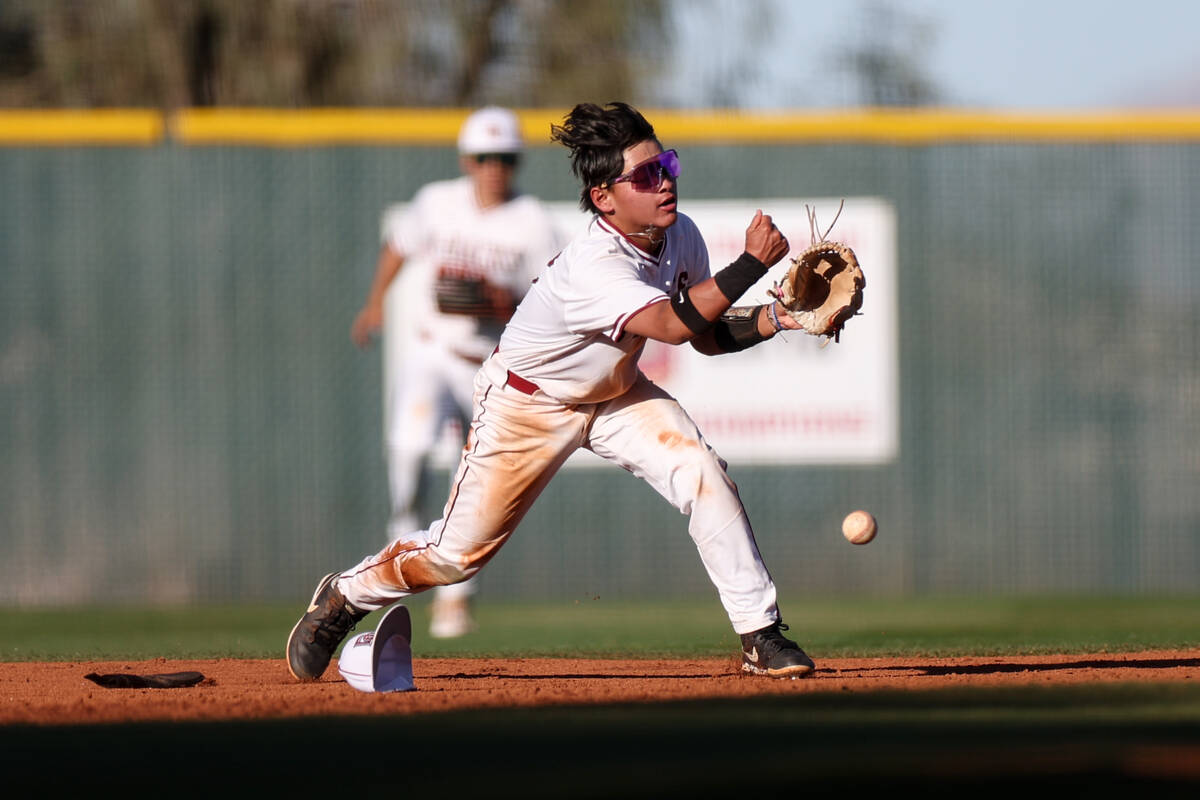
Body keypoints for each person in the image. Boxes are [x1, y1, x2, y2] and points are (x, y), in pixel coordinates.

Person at [289, 101, 816, 681]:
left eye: (665, 163)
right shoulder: (595, 262)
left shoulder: (681, 234)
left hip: (615, 395)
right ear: (603, 198)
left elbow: (705, 335)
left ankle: (760, 634)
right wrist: (749, 263)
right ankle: (346, 595)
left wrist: (781, 316)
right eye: (644, 175)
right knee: (456, 556)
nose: (663, 182)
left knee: (701, 470)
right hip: (527, 403)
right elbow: (670, 325)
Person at [349, 106, 563, 638]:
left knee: (474, 478)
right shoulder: (436, 202)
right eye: (485, 157)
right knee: (408, 457)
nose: (494, 167)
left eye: (505, 158)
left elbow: (558, 299)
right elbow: (397, 248)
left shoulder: (534, 222)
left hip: (490, 361)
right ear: (468, 159)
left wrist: (504, 300)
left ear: (517, 163)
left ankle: (455, 598)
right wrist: (374, 304)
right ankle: (394, 570)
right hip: (431, 352)